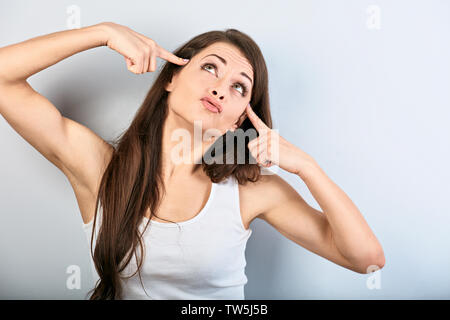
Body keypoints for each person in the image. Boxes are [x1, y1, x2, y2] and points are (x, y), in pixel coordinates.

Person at [0, 22, 385, 300]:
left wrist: (308, 167)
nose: (220, 86)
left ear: (239, 118)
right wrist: (102, 33)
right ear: (170, 78)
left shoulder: (254, 192)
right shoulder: (99, 168)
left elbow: (366, 260)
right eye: (210, 67)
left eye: (239, 87)